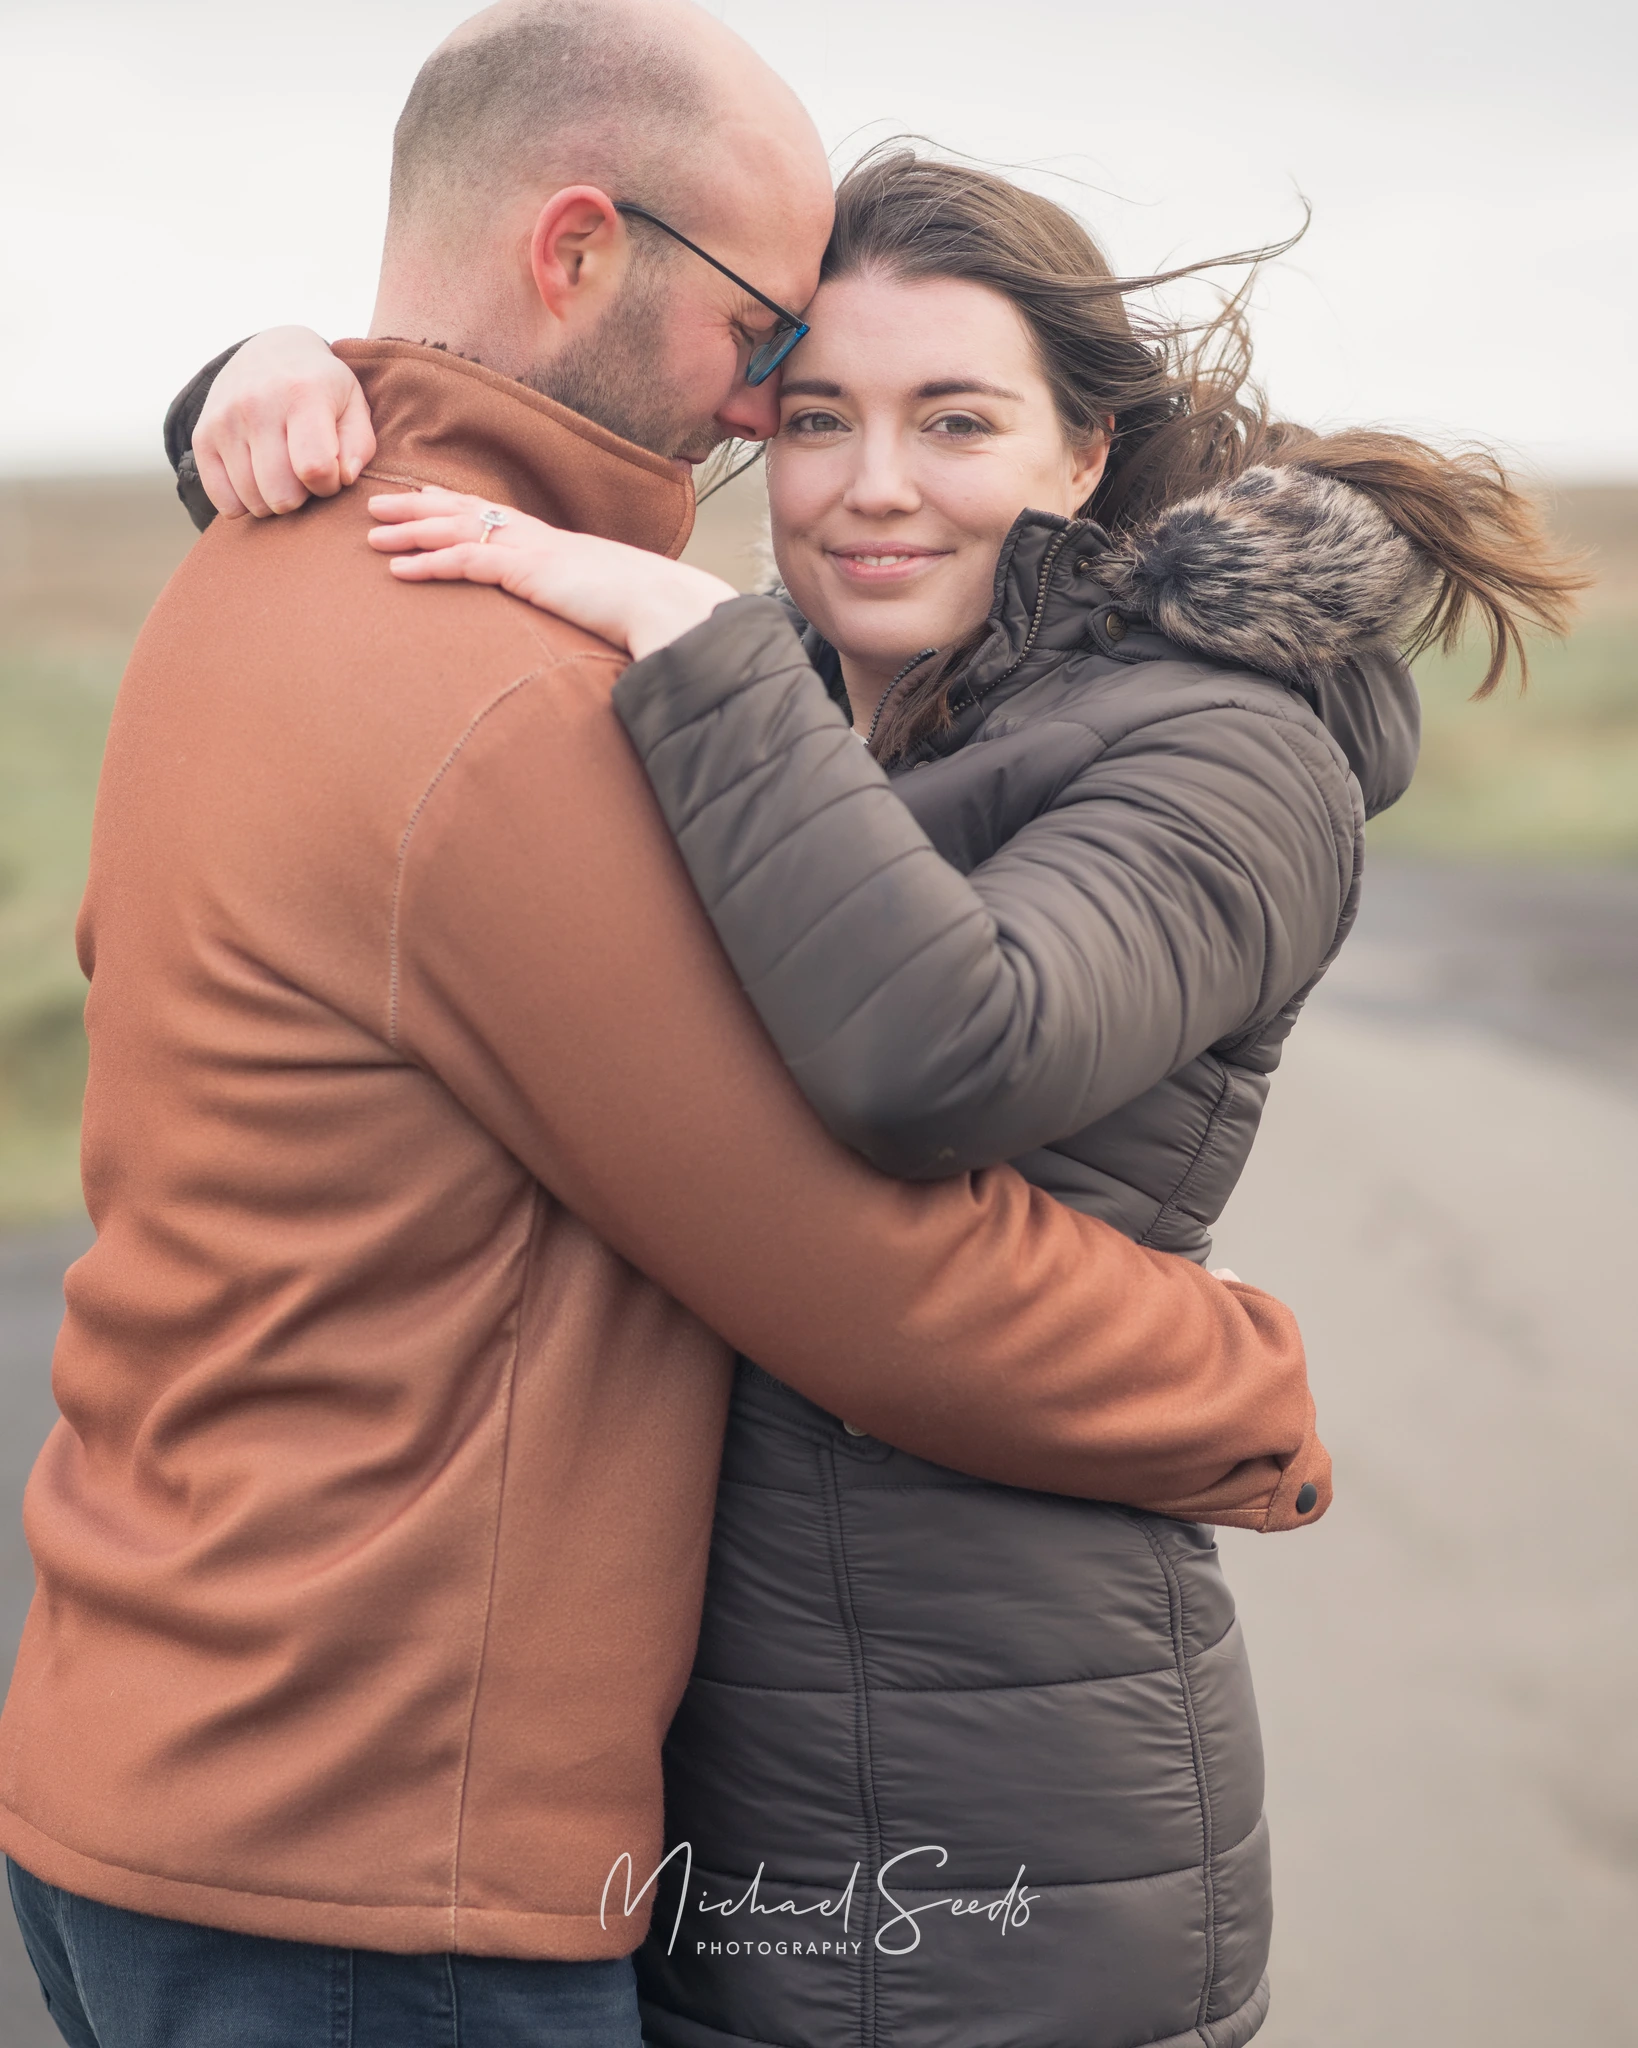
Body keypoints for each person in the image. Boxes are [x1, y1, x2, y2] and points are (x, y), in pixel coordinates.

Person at [0, 11, 1334, 2048]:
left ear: (1077, 450)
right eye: (773, 353)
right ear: (574, 253)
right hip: (375, 1861)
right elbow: (858, 1266)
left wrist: (268, 379)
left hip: (157, 1773)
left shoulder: (254, 569)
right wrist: (1235, 1372)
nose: (764, 406)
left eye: (944, 415)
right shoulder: (510, 695)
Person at [182, 144, 1581, 2048]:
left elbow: (951, 1049)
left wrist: (704, 643)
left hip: (991, 1817)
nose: (871, 486)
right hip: (737, 1789)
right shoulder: (902, 702)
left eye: (955, 419)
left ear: (1081, 453)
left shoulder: (1233, 749)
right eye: (818, 416)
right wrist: (267, 381)